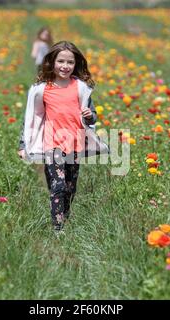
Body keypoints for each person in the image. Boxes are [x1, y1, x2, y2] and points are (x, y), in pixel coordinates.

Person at [18, 41, 109, 234]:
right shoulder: (43, 89)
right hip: (52, 143)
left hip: (74, 144)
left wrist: (89, 115)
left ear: (76, 64)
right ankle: (57, 229)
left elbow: (92, 115)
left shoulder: (81, 87)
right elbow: (31, 118)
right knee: (58, 185)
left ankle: (64, 217)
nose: (65, 66)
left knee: (69, 187)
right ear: (52, 62)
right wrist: (23, 144)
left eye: (70, 62)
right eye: (61, 61)